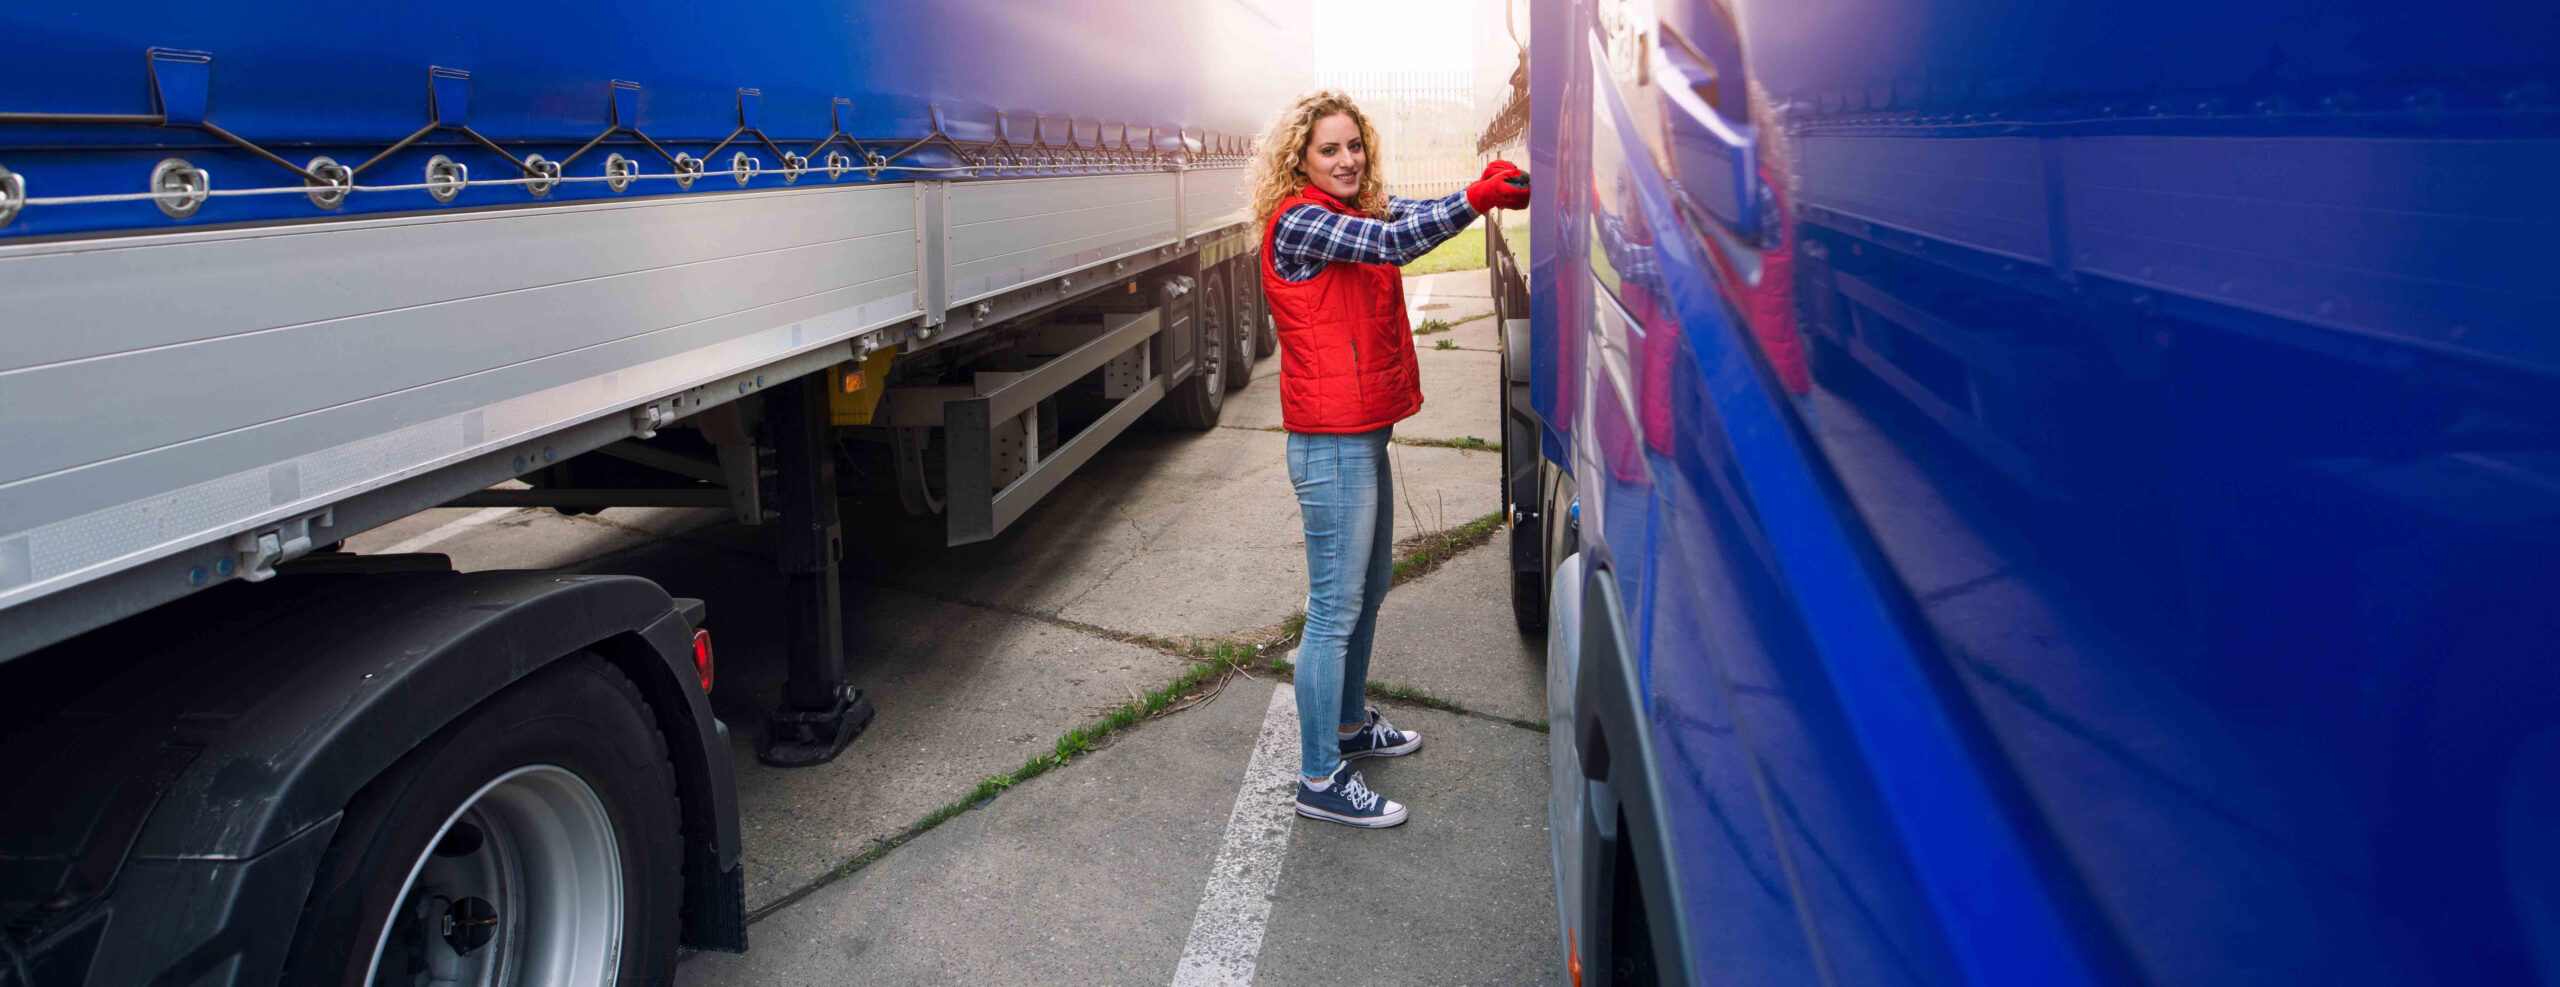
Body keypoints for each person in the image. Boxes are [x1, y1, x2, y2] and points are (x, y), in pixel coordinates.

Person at [1246, 90, 1531, 828]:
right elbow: (1390, 244)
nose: (1347, 159)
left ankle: (1346, 726)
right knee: (1334, 609)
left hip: (1359, 432)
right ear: (1300, 162)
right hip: (1329, 443)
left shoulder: (1352, 207)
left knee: (1367, 588)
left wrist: (1475, 191)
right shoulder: (1302, 221)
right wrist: (1476, 199)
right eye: (1329, 149)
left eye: (1354, 145)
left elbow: (1404, 214)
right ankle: (1318, 776)